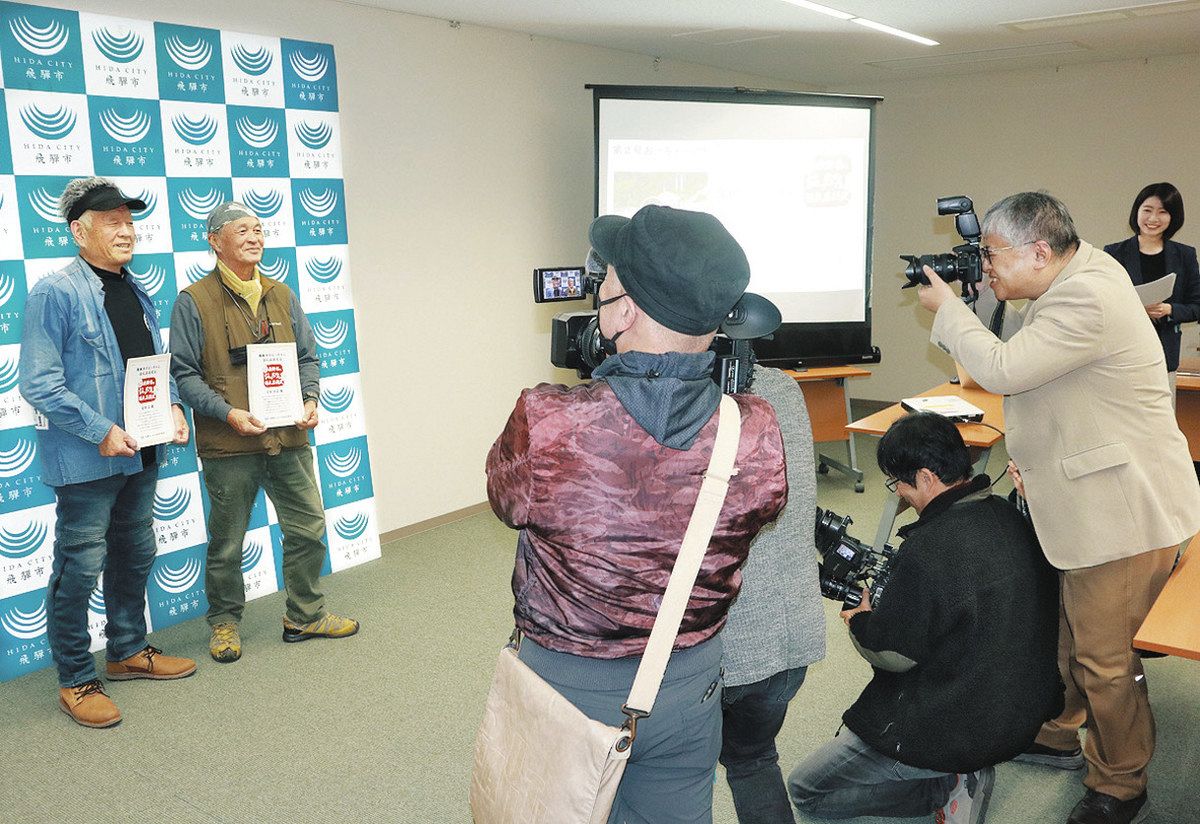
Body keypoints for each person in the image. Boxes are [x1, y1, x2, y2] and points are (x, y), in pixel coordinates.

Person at [486, 204, 788, 824]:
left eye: (606, 286)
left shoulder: (548, 421)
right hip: (689, 685)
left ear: (624, 310)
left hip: (567, 688)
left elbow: (506, 501)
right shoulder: (755, 430)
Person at [917, 191, 1200, 824]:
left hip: (1122, 510)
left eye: (992, 255)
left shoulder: (1085, 295)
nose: (985, 266)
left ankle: (1121, 783)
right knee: (1073, 631)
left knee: (1105, 657)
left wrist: (948, 308)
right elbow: (1043, 380)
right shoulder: (1067, 278)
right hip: (1090, 491)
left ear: (1040, 251)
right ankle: (1062, 728)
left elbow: (1002, 369)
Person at [788, 412, 1061, 824]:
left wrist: (861, 620)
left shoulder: (930, 550)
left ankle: (938, 791)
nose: (897, 491)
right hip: (1022, 714)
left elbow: (894, 654)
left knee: (806, 790)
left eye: (897, 481)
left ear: (926, 477)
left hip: (960, 726)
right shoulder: (1009, 516)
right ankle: (948, 775)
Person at [19, 177, 196, 729]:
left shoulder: (135, 288)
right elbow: (39, 383)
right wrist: (100, 430)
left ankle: (125, 651)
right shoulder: (55, 292)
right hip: (88, 460)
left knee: (134, 553)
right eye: (111, 221)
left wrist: (170, 407)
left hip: (141, 452)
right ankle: (75, 678)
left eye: (129, 220)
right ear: (79, 230)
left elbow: (151, 363)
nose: (126, 230)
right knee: (80, 567)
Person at [169, 202, 358, 664]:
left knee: (308, 527)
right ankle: (225, 622)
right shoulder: (193, 301)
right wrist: (228, 412)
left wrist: (310, 398)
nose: (255, 236)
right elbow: (184, 374)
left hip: (287, 438)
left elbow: (308, 359)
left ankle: (304, 614)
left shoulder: (281, 294)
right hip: (229, 441)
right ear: (214, 241)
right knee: (228, 540)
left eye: (259, 229)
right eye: (242, 230)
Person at [720, 365, 825, 824]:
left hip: (727, 649)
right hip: (791, 639)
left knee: (670, 774)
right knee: (754, 760)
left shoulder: (680, 397)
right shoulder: (782, 386)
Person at [1103, 182, 1200, 399]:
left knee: (1162, 425)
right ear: (1136, 212)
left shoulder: (1185, 255)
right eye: (1147, 210)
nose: (1153, 219)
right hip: (1123, 356)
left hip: (1164, 357)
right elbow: (1104, 304)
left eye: (1162, 212)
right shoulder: (1114, 253)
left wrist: (1169, 309)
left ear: (1173, 217)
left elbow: (1197, 306)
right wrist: (1137, 309)